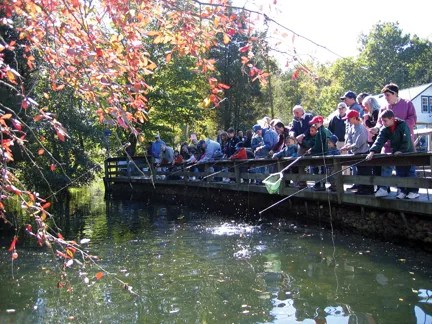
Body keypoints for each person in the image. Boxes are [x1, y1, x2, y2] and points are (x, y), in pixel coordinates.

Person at [373, 83, 418, 198]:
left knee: (407, 167)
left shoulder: (407, 103)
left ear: (395, 94)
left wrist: (399, 127)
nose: (385, 98)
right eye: (384, 95)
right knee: (386, 166)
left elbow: (413, 118)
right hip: (389, 144)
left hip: (405, 143)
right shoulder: (384, 107)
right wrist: (376, 128)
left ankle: (410, 191)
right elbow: (380, 122)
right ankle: (384, 188)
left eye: (387, 95)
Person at [366, 110, 419, 199]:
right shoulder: (385, 128)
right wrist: (372, 151)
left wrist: (402, 150)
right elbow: (379, 140)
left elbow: (406, 140)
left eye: (385, 121)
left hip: (408, 152)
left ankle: (413, 191)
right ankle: (402, 191)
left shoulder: (402, 125)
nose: (383, 123)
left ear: (392, 119)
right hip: (396, 153)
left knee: (410, 172)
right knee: (400, 172)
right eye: (382, 121)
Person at [340, 110, 373, 195]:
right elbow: (350, 139)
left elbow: (359, 142)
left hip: (364, 153)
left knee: (365, 172)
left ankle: (368, 190)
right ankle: (361, 188)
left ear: (355, 118)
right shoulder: (352, 127)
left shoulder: (361, 128)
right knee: (359, 172)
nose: (347, 121)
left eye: (349, 119)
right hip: (356, 153)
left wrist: (349, 147)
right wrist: (347, 145)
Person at [306, 116, 328, 191]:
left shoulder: (321, 133)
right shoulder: (323, 131)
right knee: (319, 170)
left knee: (319, 170)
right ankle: (318, 185)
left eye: (315, 123)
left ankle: (320, 186)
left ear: (319, 123)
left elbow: (318, 146)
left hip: (321, 155)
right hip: (321, 154)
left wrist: (311, 150)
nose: (314, 125)